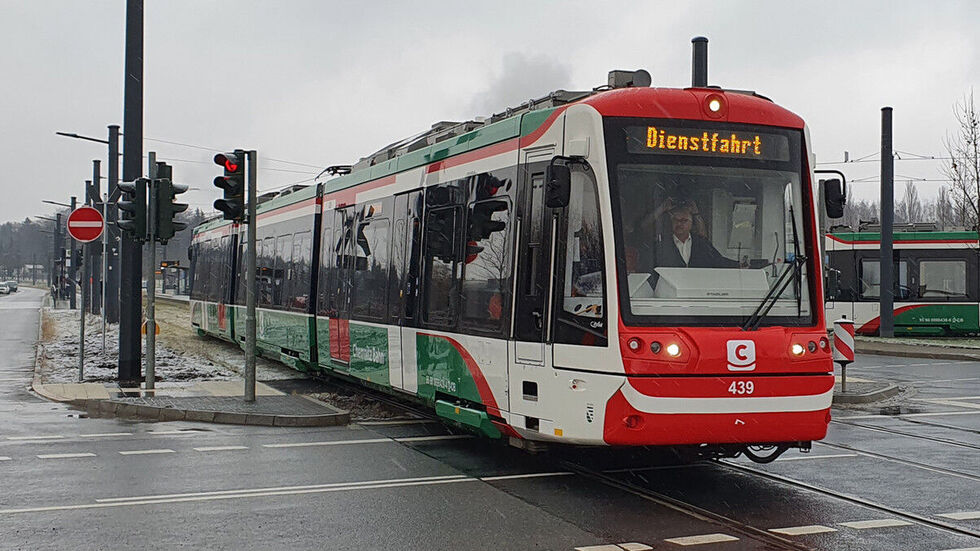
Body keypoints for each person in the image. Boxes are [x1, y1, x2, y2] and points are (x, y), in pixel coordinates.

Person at [653, 203, 739, 269]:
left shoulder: (702, 244)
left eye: (684, 220)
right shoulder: (662, 244)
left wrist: (739, 265)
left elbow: (719, 262)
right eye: (675, 220)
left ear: (691, 223)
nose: (679, 224)